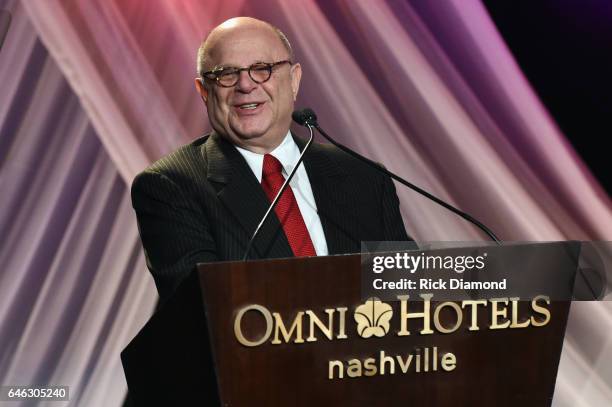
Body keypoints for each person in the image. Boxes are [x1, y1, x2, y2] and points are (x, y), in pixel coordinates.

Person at [131, 17, 410, 301]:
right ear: (205, 91)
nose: (245, 84)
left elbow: (414, 298)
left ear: (293, 80)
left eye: (261, 69)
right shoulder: (171, 186)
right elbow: (202, 308)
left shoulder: (364, 177)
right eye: (226, 73)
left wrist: (451, 280)